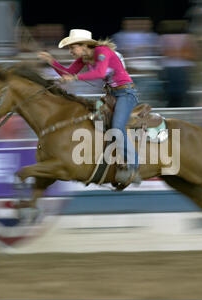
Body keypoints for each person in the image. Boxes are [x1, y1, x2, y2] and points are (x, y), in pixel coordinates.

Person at [37, 29, 140, 186]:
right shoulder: (83, 59)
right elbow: (67, 72)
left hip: (125, 94)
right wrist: (51, 61)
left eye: (73, 47)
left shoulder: (102, 51)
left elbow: (100, 72)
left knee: (117, 127)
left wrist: (75, 77)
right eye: (70, 48)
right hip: (112, 95)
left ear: (84, 45)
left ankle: (133, 166)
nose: (71, 51)